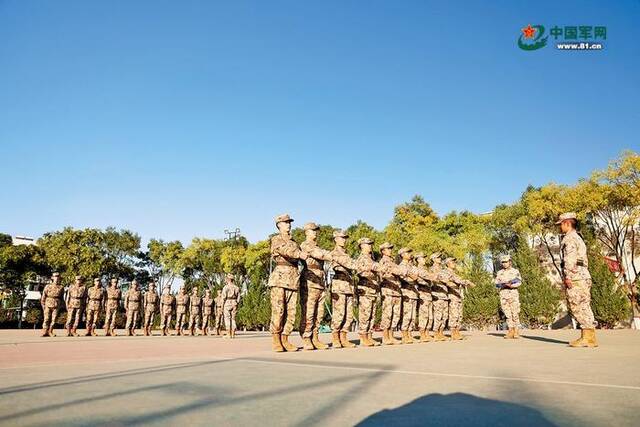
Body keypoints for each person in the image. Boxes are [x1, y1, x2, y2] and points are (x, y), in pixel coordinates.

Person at [268, 213, 308, 352]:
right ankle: (276, 339)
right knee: (278, 311)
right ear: (279, 225)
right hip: (279, 279)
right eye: (285, 222)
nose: (288, 224)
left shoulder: (294, 242)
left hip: (292, 280)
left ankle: (285, 338)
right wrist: (298, 254)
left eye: (289, 222)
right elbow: (284, 251)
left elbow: (302, 255)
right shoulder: (276, 239)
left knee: (291, 313)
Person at [557, 212, 598, 347]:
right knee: (584, 305)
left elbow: (570, 259)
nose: (559, 227)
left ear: (567, 223)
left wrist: (568, 276)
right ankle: (589, 337)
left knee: (578, 306)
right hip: (582, 275)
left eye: (561, 224)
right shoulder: (578, 237)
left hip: (575, 277)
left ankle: (587, 337)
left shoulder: (569, 239)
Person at [299, 222, 333, 350]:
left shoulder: (317, 246)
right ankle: (306, 338)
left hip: (319, 281)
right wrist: (334, 256)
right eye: (313, 230)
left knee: (319, 313)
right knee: (308, 312)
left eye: (316, 230)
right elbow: (320, 254)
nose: (315, 232)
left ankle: (315, 337)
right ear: (306, 232)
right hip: (309, 281)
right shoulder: (305, 245)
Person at [354, 237, 385, 347]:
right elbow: (360, 273)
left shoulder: (371, 259)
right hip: (365, 289)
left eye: (371, 244)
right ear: (362, 246)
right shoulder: (361, 258)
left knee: (372, 314)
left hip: (372, 289)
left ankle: (369, 336)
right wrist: (373, 272)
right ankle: (363, 337)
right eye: (368, 244)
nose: (370, 246)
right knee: (365, 314)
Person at [329, 230, 357, 349]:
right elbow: (338, 266)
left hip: (348, 287)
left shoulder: (346, 254)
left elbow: (349, 266)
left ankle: (344, 337)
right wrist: (348, 266)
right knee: (339, 314)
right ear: (335, 239)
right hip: (339, 286)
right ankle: (336, 337)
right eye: (341, 238)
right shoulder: (333, 253)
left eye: (345, 238)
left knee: (349, 315)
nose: (344, 240)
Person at [442, 257, 475, 341]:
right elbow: (456, 280)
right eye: (452, 262)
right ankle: (453, 332)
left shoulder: (454, 273)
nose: (454, 264)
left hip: (458, 296)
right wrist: (467, 282)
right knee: (454, 314)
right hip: (452, 296)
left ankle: (457, 331)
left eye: (454, 262)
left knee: (459, 315)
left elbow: (458, 280)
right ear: (447, 264)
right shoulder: (446, 272)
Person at [378, 242, 404, 345]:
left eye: (390, 249)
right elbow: (381, 275)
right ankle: (385, 337)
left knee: (395, 315)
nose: (390, 250)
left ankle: (391, 335)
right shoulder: (383, 262)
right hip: (388, 290)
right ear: (383, 251)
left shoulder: (392, 261)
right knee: (387, 314)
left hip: (396, 291)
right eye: (388, 249)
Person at [495, 255, 522, 339]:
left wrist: (511, 285)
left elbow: (519, 282)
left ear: (510, 262)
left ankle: (516, 330)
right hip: (503, 294)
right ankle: (510, 330)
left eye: (506, 262)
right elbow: (496, 283)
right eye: (503, 262)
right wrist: (501, 284)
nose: (504, 264)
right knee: (507, 313)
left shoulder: (515, 271)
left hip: (513, 294)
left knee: (515, 313)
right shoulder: (500, 272)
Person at [414, 253, 438, 342]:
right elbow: (425, 278)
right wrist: (435, 277)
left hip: (428, 294)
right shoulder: (417, 269)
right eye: (422, 258)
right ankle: (422, 334)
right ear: (418, 260)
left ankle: (427, 333)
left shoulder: (425, 269)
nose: (424, 259)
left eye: (424, 258)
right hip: (423, 293)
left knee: (429, 316)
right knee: (423, 315)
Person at [398, 248, 420, 344]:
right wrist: (412, 277)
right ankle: (404, 335)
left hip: (413, 293)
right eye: (407, 252)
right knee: (407, 315)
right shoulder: (402, 266)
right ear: (402, 255)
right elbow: (403, 277)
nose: (409, 254)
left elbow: (417, 276)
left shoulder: (411, 266)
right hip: (407, 292)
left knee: (412, 316)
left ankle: (410, 334)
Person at [430, 253, 449, 341]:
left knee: (444, 316)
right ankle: (436, 333)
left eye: (440, 257)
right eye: (437, 257)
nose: (440, 259)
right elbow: (433, 280)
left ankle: (441, 332)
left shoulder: (443, 269)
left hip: (444, 295)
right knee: (438, 315)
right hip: (437, 294)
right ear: (433, 259)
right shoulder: (432, 269)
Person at [40, 273, 64, 337]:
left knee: (54, 319)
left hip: (56, 304)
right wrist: (43, 304)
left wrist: (61, 305)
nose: (57, 278)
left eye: (58, 277)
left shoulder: (61, 287)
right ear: (52, 277)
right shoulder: (47, 286)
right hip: (48, 303)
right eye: (55, 276)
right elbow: (44, 296)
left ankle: (50, 331)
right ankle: (45, 331)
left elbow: (62, 297)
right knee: (46, 318)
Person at [221, 273, 241, 338]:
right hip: (234, 303)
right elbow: (239, 297)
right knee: (233, 319)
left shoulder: (226, 287)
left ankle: (228, 334)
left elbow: (223, 298)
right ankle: (233, 334)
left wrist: (222, 306)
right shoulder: (236, 287)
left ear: (228, 279)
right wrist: (236, 303)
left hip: (227, 302)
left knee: (227, 318)